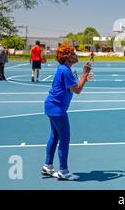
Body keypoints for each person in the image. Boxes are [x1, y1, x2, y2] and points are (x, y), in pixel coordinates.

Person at [41, 45, 92, 180]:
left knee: (55, 136)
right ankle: (63, 171)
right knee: (64, 138)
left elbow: (74, 86)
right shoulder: (65, 70)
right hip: (57, 108)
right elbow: (77, 90)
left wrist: (83, 78)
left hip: (52, 106)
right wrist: (85, 73)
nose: (76, 55)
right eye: (73, 53)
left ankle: (48, 166)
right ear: (68, 57)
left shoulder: (64, 69)